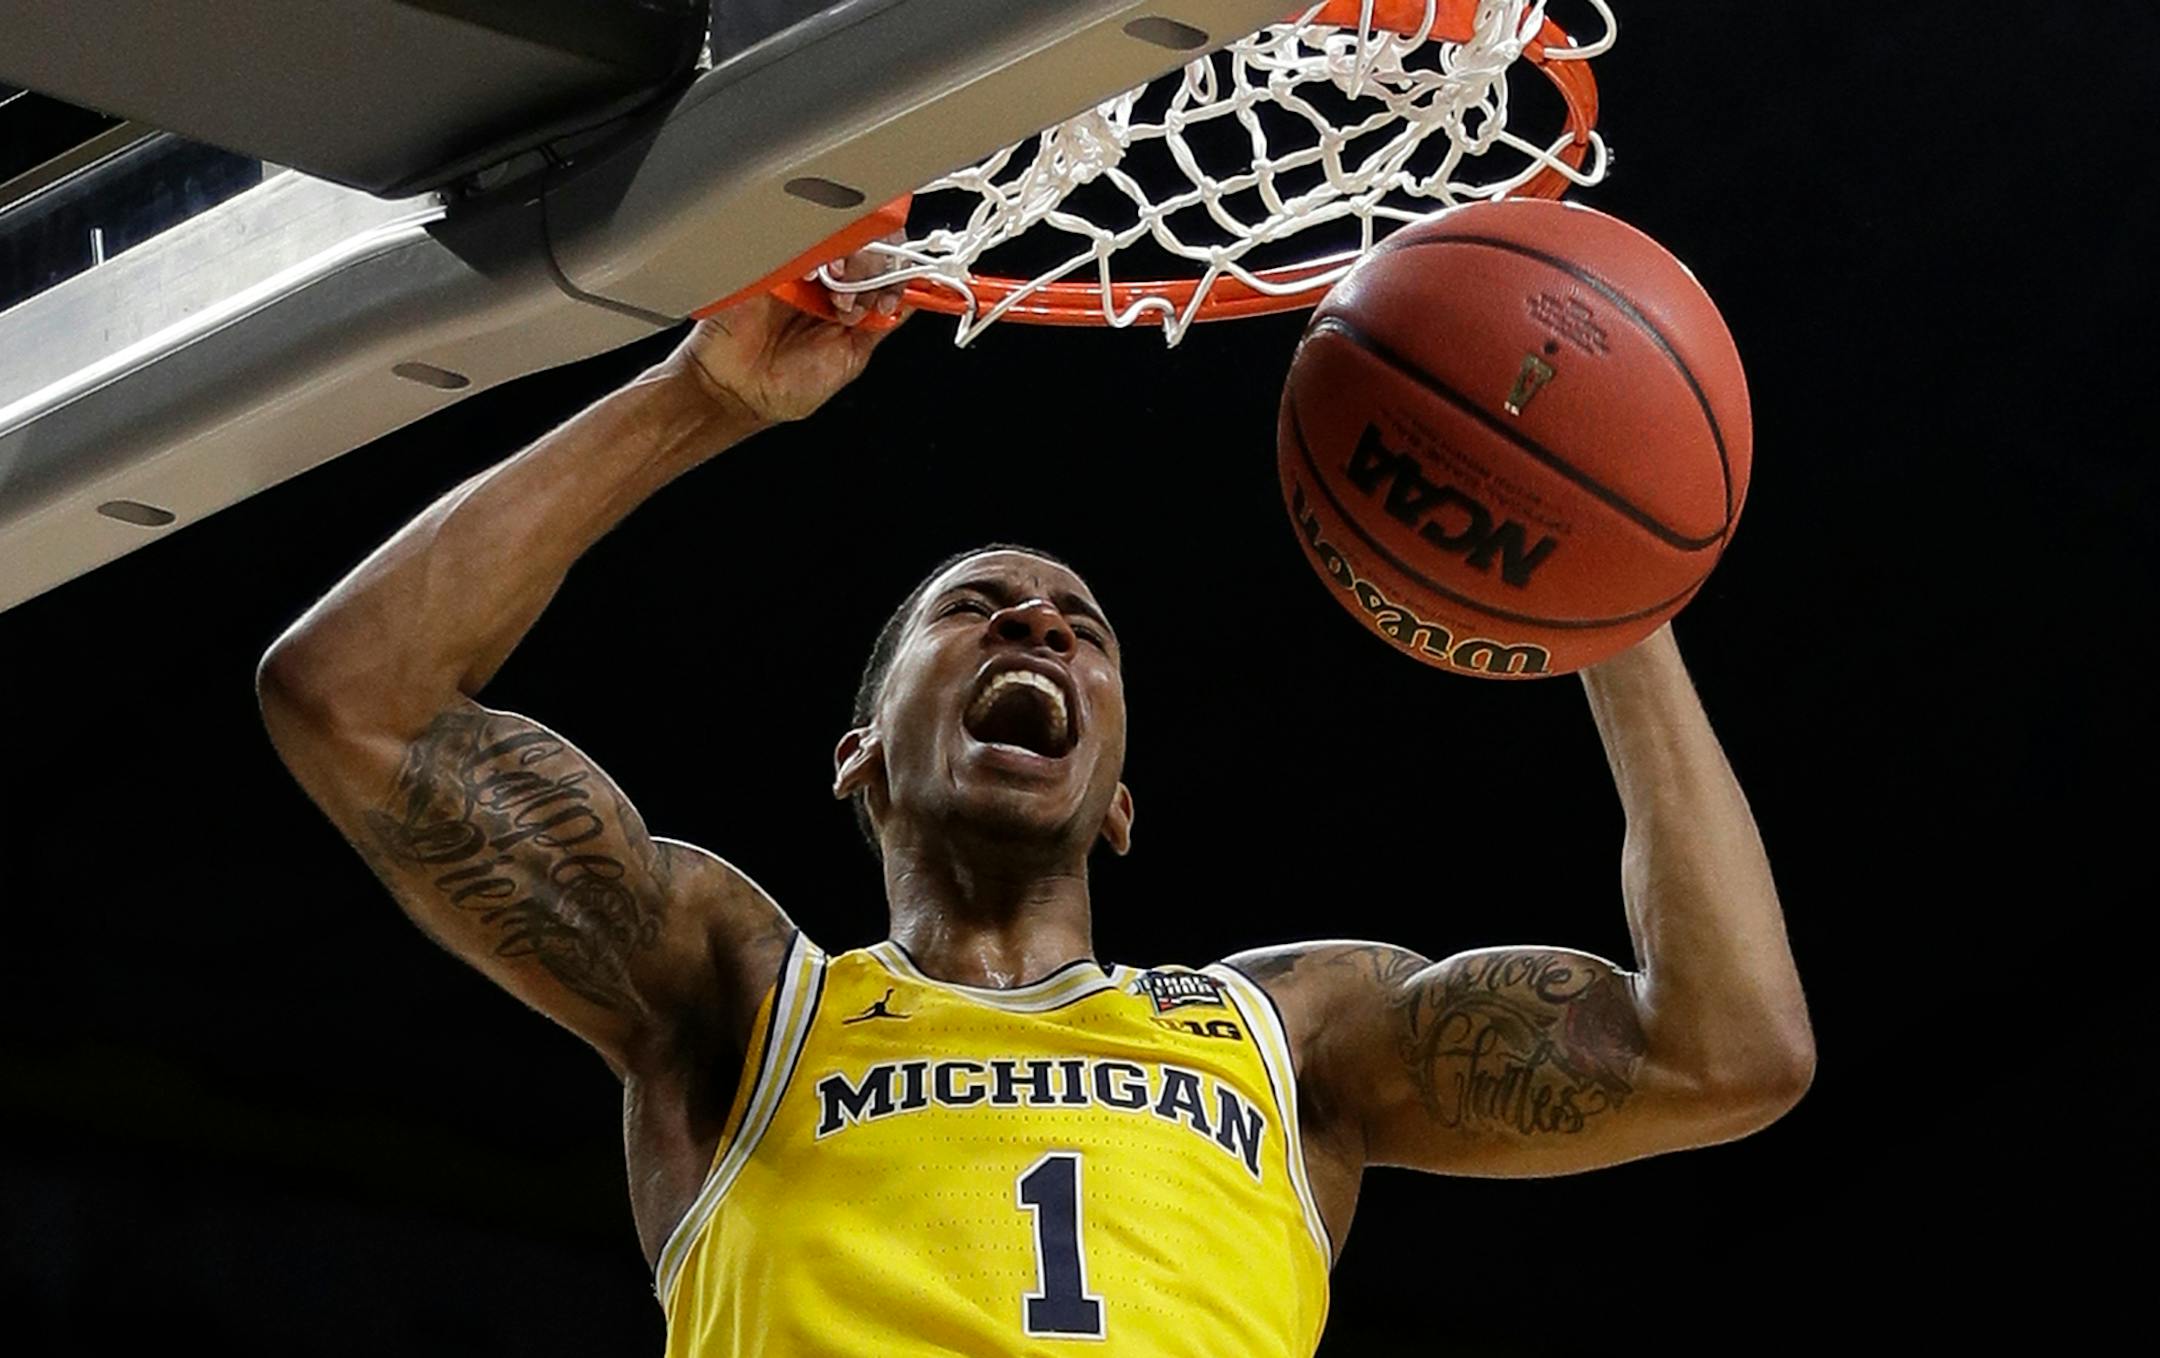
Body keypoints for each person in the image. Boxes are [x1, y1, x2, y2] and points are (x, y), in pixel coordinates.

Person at [256, 253, 1814, 1356]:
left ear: (1121, 801)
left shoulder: (1292, 1038)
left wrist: (1614, 595)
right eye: (978, 607)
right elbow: (352, 697)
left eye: (1083, 622)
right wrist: (702, 395)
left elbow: (1727, 1049)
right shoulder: (739, 994)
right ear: (861, 754)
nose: (1040, 624)